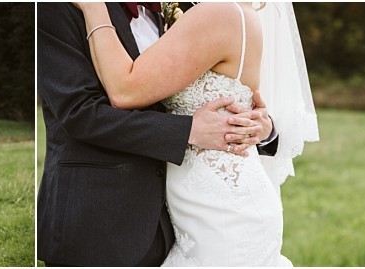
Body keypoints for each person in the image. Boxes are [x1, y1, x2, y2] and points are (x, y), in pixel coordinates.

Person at [36, 3, 280, 267]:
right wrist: (189, 131)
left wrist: (262, 128)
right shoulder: (57, 8)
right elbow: (79, 112)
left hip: (193, 217)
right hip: (99, 220)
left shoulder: (183, 13)